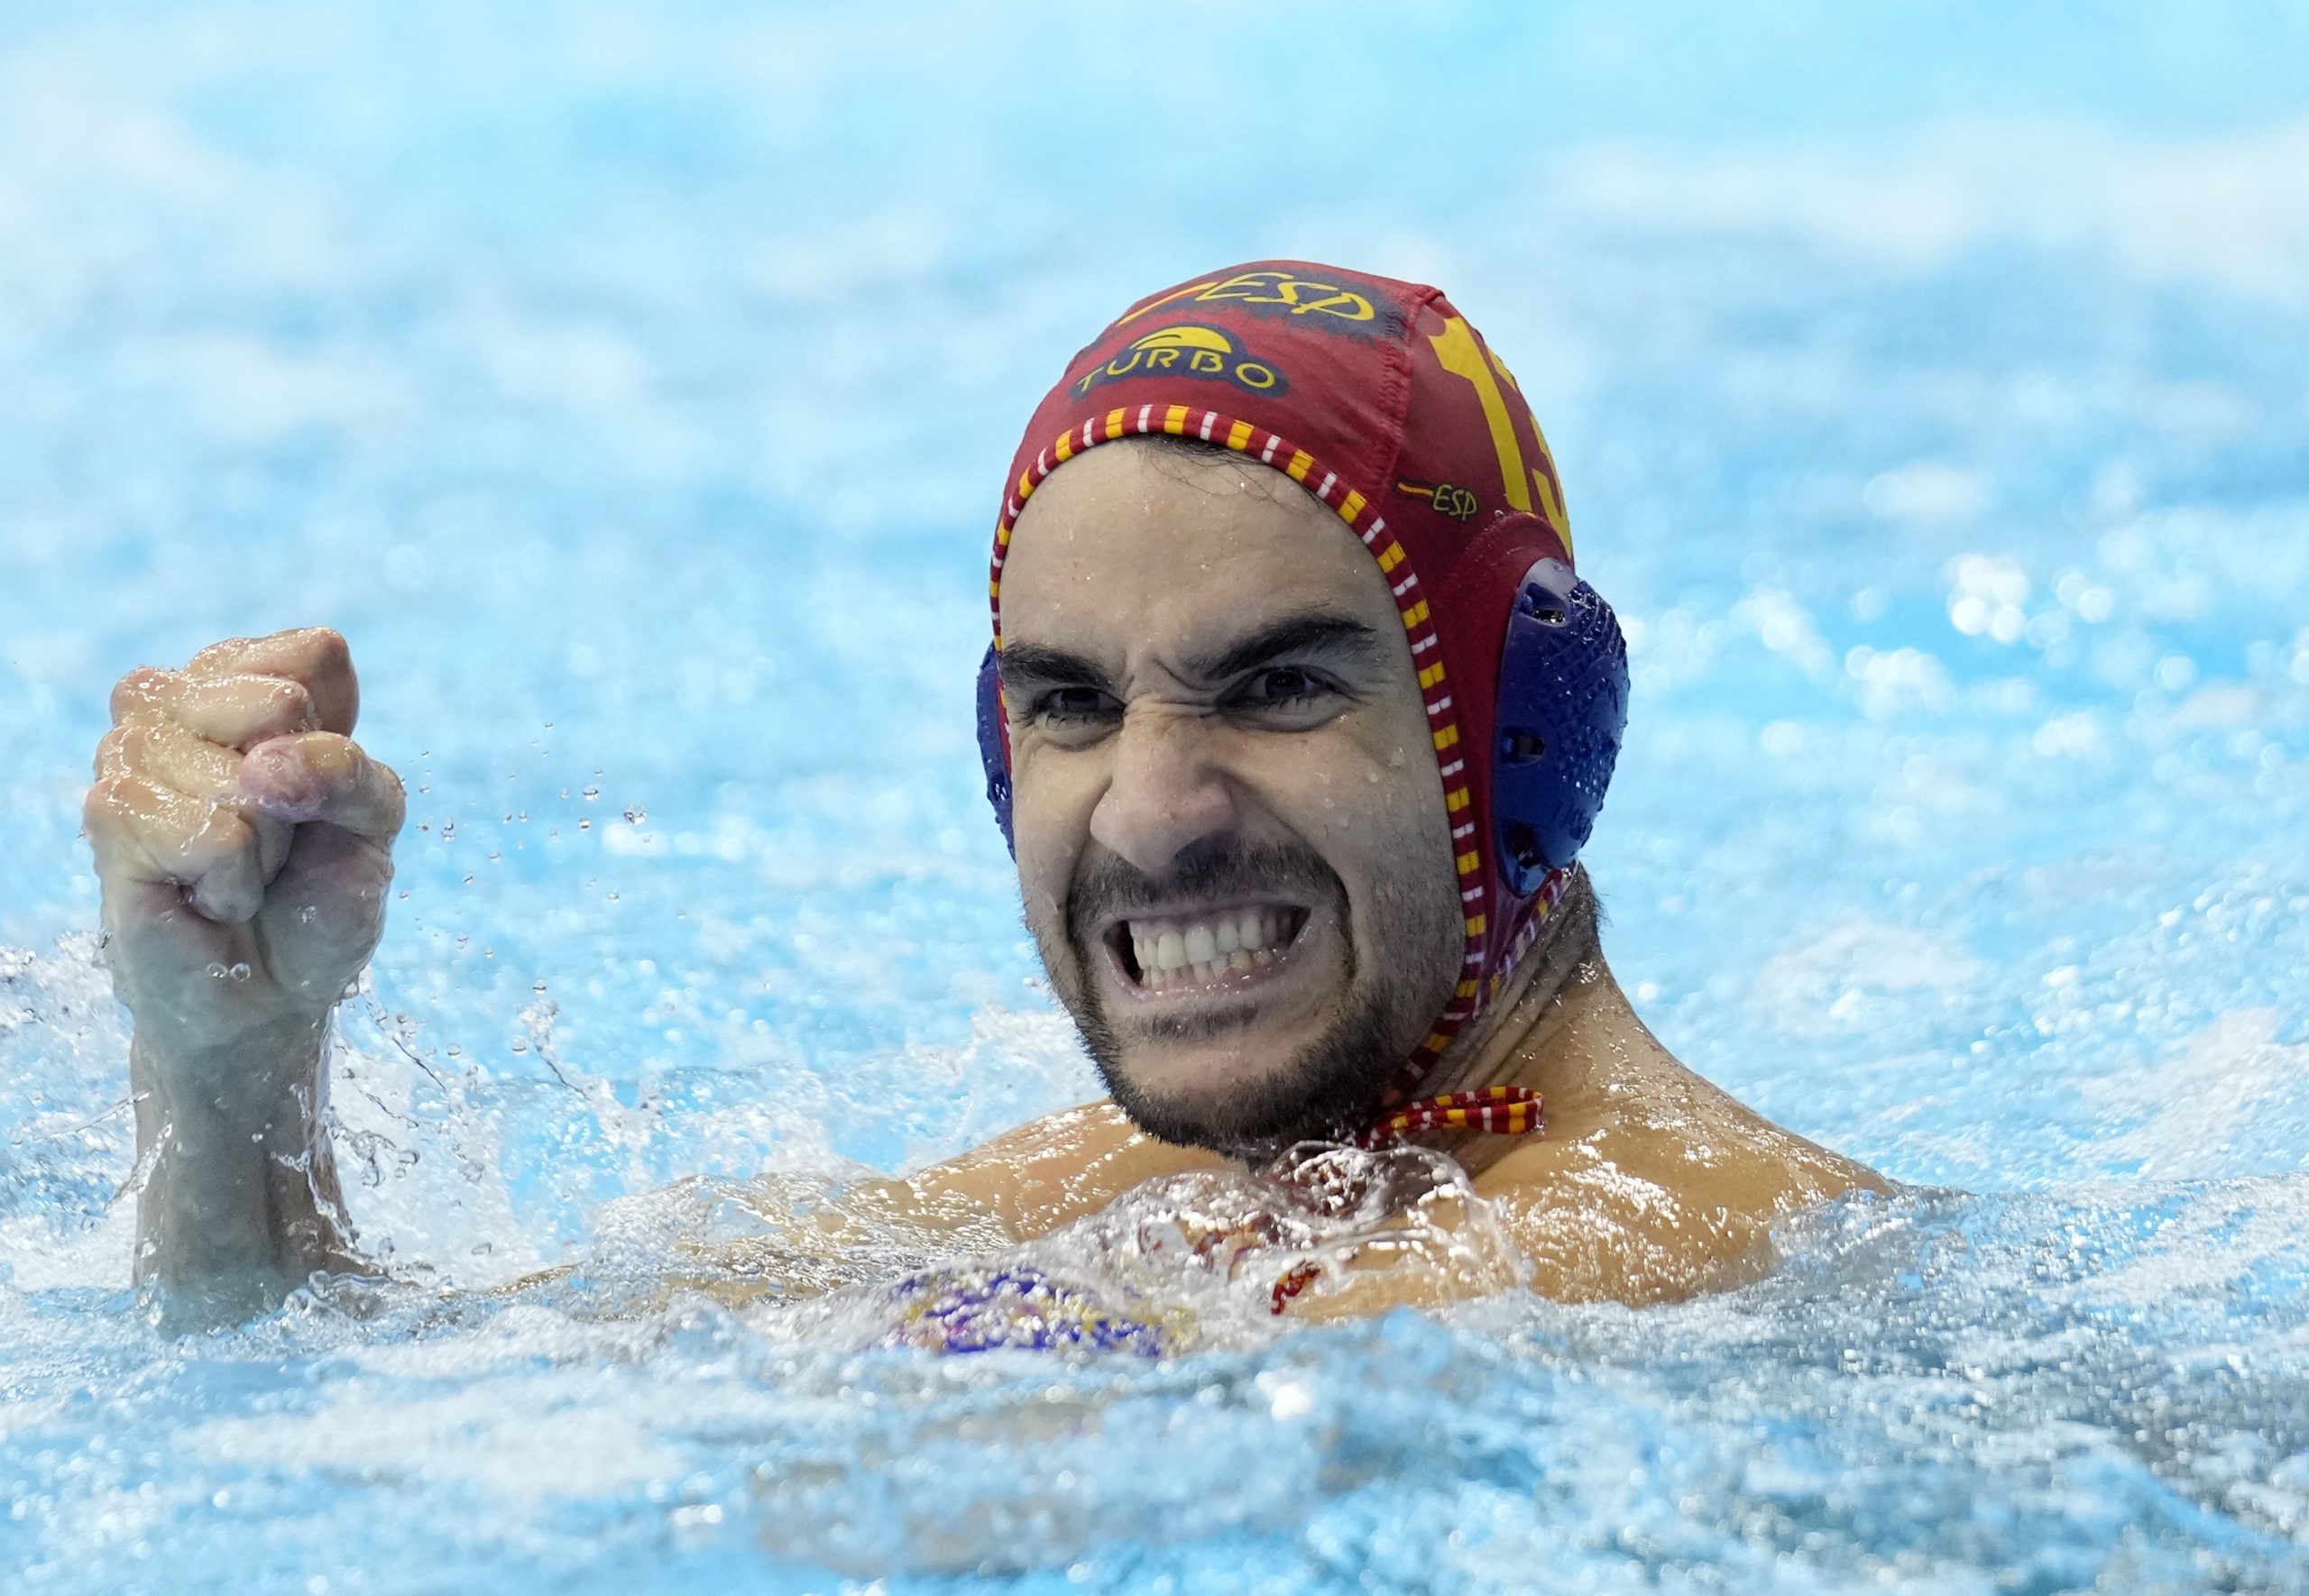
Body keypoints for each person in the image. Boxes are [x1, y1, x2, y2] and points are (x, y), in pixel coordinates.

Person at [83, 260, 1881, 1331]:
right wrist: (227, 1061)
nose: (1149, 812)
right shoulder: (1132, 1198)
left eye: (1271, 684)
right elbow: (360, 1387)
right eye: (1070, 706)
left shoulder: (1675, 1244)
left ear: (1522, 734)